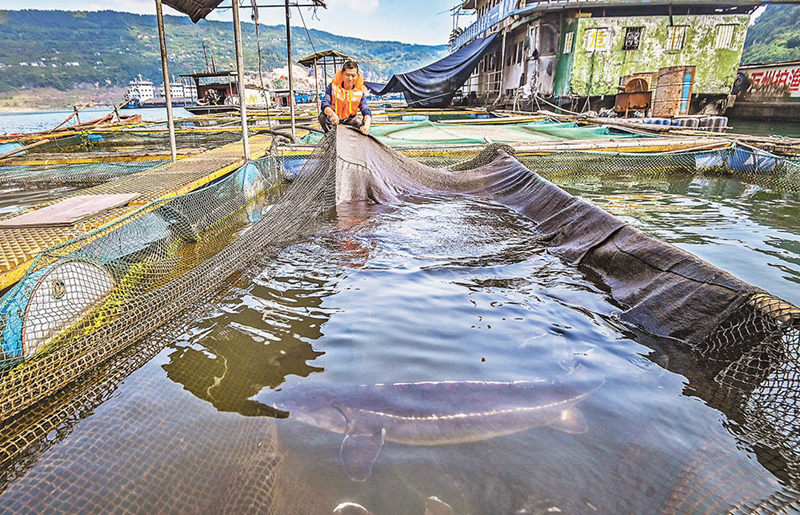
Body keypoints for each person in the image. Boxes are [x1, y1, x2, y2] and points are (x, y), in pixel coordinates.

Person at [319, 60, 371, 135]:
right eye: (347, 75)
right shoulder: (332, 86)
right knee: (322, 117)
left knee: (358, 122)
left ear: (357, 76)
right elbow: (325, 103)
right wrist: (332, 114)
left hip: (349, 121)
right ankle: (330, 136)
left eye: (353, 76)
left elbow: (366, 109)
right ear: (342, 74)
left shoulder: (359, 92)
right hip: (334, 119)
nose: (350, 79)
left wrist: (366, 126)